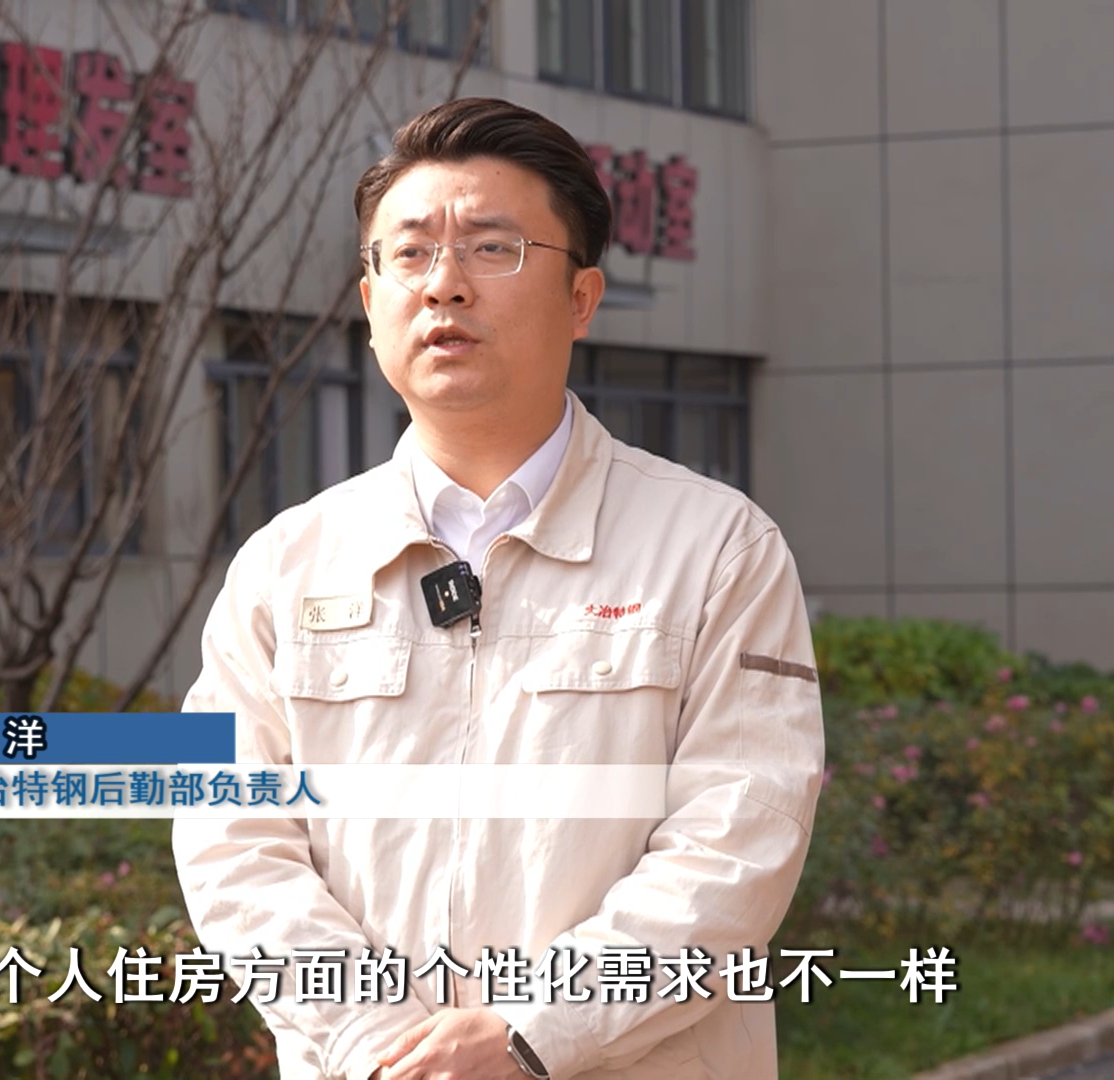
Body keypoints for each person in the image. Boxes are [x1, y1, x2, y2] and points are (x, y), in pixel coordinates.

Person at [172, 97, 824, 1080]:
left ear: (581, 298)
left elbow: (740, 842)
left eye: (492, 248)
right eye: (410, 254)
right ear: (370, 301)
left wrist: (532, 1033)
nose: (444, 284)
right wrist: (378, 1045)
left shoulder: (716, 548)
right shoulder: (283, 564)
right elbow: (229, 835)